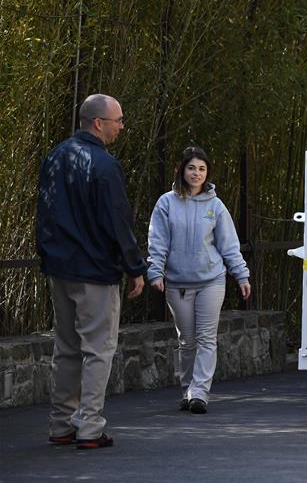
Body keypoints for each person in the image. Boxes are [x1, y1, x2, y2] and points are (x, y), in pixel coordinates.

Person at [36, 93, 147, 450]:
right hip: (95, 271)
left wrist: (47, 255)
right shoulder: (104, 165)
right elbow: (117, 222)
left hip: (60, 268)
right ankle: (89, 426)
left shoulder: (55, 157)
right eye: (118, 120)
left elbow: (44, 213)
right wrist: (134, 268)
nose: (122, 126)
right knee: (98, 349)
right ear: (98, 123)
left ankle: (61, 423)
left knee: (66, 347)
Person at [147, 146, 251, 414]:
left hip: (211, 280)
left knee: (206, 338)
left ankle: (199, 393)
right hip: (178, 282)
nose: (197, 173)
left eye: (202, 169)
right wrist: (155, 271)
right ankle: (187, 390)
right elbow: (158, 241)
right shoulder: (166, 203)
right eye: (192, 168)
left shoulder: (215, 206)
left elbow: (229, 244)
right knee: (187, 340)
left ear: (207, 173)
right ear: (182, 170)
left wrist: (241, 274)